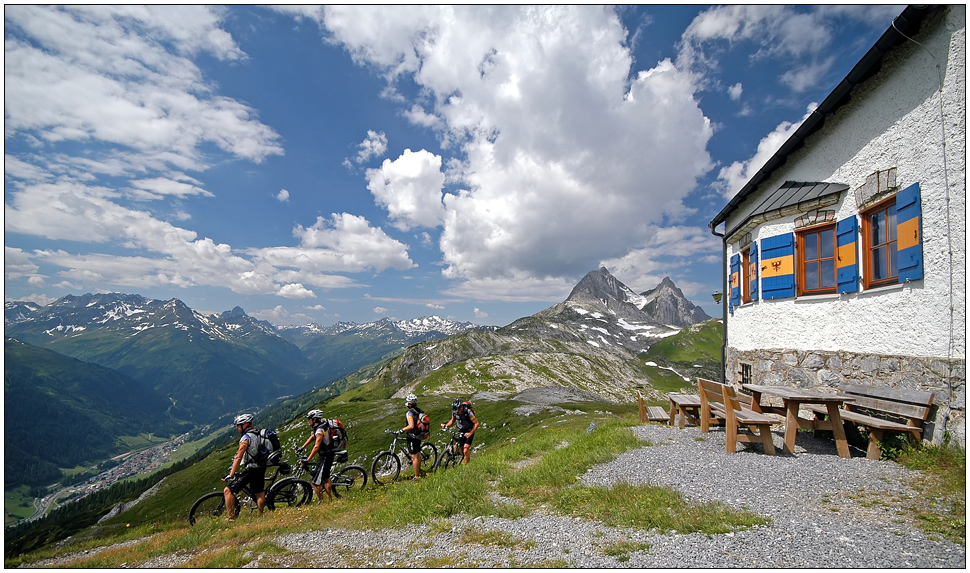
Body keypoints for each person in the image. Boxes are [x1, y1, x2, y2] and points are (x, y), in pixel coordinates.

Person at [222, 413, 266, 520]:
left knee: (227, 491)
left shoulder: (245, 438)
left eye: (238, 425)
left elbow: (238, 457)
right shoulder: (258, 433)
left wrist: (231, 474)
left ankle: (231, 519)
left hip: (252, 469)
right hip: (261, 466)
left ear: (245, 425)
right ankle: (260, 516)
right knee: (259, 492)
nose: (237, 428)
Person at [298, 409, 334, 503]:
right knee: (326, 477)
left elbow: (317, 446)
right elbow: (313, 437)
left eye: (309, 419)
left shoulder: (319, 430)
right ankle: (329, 499)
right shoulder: (321, 426)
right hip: (329, 454)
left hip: (324, 456)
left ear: (314, 419)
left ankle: (322, 502)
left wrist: (308, 460)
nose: (308, 421)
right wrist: (302, 447)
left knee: (315, 482)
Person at [441, 398, 479, 464]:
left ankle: (467, 467)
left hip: (469, 430)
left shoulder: (468, 412)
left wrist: (470, 433)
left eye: (458, 411)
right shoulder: (454, 412)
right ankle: (465, 461)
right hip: (461, 431)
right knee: (462, 449)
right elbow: (452, 421)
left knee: (466, 449)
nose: (457, 412)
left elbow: (476, 423)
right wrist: (446, 425)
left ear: (461, 407)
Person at [401, 393, 426, 479]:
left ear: (409, 403)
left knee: (414, 456)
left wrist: (402, 430)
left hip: (412, 436)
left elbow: (411, 426)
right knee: (417, 454)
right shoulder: (420, 411)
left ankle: (416, 476)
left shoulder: (409, 413)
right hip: (419, 435)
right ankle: (418, 471)